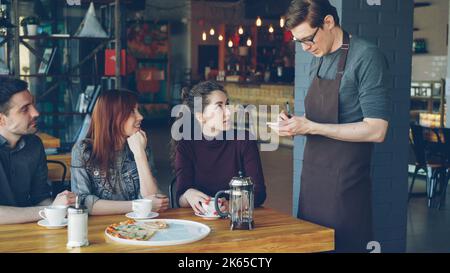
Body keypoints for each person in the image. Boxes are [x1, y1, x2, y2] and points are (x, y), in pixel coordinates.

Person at [276, 0, 391, 252]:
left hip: (346, 183)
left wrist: (311, 127)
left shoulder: (367, 57)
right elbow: (317, 117)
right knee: (311, 245)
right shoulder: (318, 57)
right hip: (313, 179)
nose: (305, 48)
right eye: (298, 42)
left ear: (328, 22)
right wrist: (295, 125)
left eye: (308, 39)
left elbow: (377, 129)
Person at [172, 81, 266, 214]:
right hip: (200, 222)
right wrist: (188, 194)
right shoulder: (186, 145)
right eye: (219, 106)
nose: (228, 112)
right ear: (201, 116)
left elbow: (258, 192)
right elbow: (180, 198)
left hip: (236, 220)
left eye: (227, 104)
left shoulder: (244, 139)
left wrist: (231, 205)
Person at [71, 89, 169, 215]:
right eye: (132, 112)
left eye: (138, 110)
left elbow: (153, 200)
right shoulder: (83, 151)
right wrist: (136, 205)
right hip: (100, 227)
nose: (140, 116)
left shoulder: (140, 145)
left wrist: (140, 155)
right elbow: (82, 202)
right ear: (112, 117)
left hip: (136, 226)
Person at [0, 78, 75, 224]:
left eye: (32, 104)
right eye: (24, 109)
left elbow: (40, 198)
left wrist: (63, 206)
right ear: (1, 119)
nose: (35, 112)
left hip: (29, 233)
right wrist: (51, 210)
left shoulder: (34, 145)